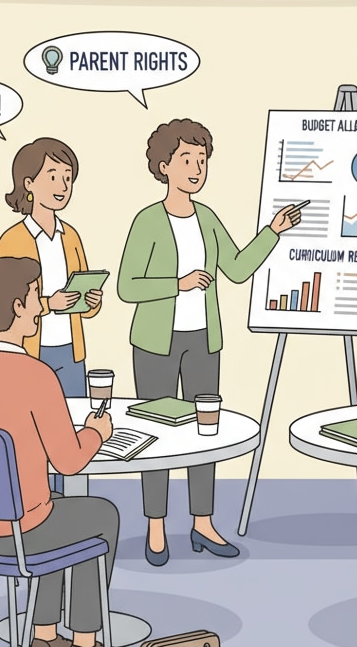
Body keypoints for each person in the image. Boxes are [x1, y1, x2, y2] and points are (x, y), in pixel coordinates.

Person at [118, 118, 301, 566]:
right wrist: (176, 284)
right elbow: (127, 286)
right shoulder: (147, 220)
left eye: (202, 160)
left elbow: (236, 268)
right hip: (155, 344)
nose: (197, 168)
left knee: (205, 433)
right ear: (164, 167)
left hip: (204, 339)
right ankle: (156, 526)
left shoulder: (207, 218)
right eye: (186, 160)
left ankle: (203, 522)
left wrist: (273, 231)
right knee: (155, 436)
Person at [0, 257, 124, 647]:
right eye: (34, 298)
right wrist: (98, 431)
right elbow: (69, 460)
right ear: (16, 308)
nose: (41, 306)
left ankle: (45, 637)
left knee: (52, 506)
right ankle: (85, 643)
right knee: (100, 514)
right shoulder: (38, 375)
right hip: (20, 532)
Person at [0, 137, 103, 398]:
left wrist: (91, 301)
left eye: (68, 178)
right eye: (53, 176)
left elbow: (87, 308)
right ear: (29, 183)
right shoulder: (12, 241)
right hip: (29, 350)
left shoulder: (71, 236)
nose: (63, 186)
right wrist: (49, 304)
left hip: (71, 351)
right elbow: (0, 308)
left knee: (73, 418)